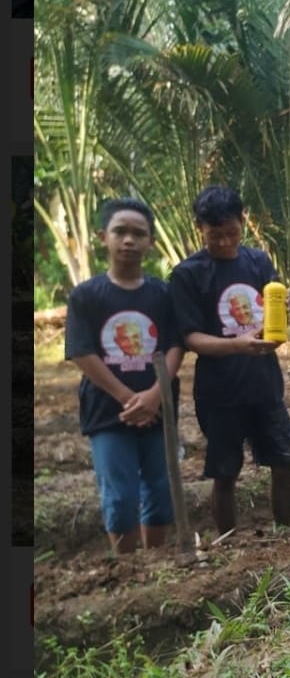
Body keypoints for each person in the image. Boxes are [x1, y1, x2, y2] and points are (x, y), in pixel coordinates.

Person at [169, 186, 290, 535]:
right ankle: (228, 540)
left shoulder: (257, 261)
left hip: (263, 382)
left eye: (232, 233)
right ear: (199, 227)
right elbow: (191, 338)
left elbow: (271, 311)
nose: (226, 242)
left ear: (242, 223)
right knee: (225, 470)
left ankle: (284, 531)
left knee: (285, 460)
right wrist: (238, 345)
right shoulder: (188, 274)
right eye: (216, 236)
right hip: (220, 391)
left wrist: (283, 308)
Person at [65, 198, 183, 554]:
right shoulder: (86, 296)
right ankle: (127, 567)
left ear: (151, 242)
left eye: (138, 234)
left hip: (159, 410)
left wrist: (153, 395)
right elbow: (82, 352)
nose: (129, 240)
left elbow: (175, 345)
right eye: (120, 232)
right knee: (119, 496)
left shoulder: (163, 294)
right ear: (103, 237)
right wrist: (127, 398)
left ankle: (154, 562)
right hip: (108, 412)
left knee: (161, 491)